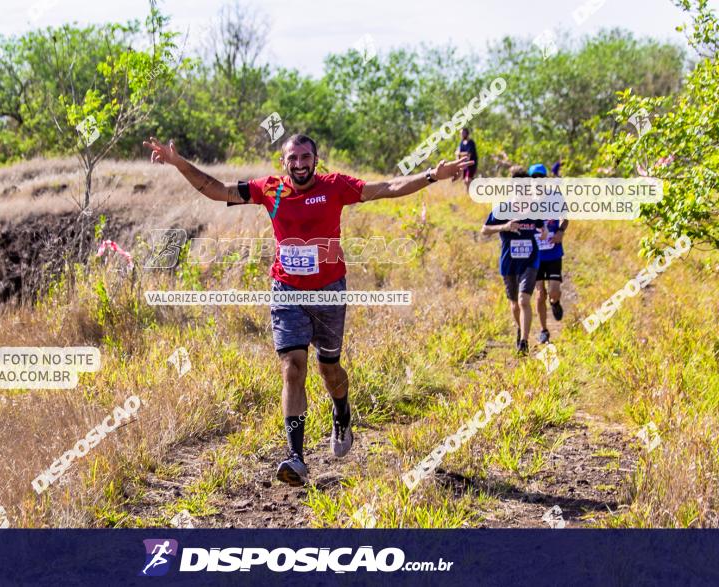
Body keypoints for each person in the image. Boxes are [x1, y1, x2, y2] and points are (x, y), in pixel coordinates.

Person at [143, 134, 472, 486]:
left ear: (316, 159)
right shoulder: (270, 190)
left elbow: (388, 186)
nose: (299, 164)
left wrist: (431, 176)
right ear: (283, 162)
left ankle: (342, 410)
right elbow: (217, 189)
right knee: (292, 368)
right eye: (292, 158)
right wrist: (179, 164)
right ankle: (296, 458)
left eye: (305, 157)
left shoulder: (336, 187)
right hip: (286, 291)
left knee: (329, 369)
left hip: (330, 292)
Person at [480, 165, 548, 355]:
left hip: (530, 260)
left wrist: (544, 233)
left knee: (524, 300)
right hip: (509, 261)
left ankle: (524, 342)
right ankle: (520, 329)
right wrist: (505, 226)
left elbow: (542, 229)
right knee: (515, 305)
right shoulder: (503, 209)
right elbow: (484, 230)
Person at [528, 163, 567, 344]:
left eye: (540, 177)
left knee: (553, 291)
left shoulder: (555, 196)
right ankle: (544, 330)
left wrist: (560, 232)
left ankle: (555, 303)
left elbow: (565, 218)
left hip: (553, 252)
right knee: (540, 293)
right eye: (534, 178)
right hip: (535, 255)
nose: (537, 181)